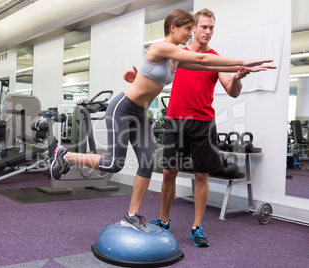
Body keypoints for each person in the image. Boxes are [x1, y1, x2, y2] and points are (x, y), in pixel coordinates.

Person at [51, 9, 275, 233]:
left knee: (147, 163)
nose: (191, 33)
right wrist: (246, 60)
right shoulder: (161, 47)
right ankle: (66, 155)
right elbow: (200, 58)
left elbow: (207, 65)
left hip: (141, 111)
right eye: (188, 29)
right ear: (173, 28)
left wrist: (243, 69)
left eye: (193, 29)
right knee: (114, 164)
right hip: (123, 108)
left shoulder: (173, 60)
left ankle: (131, 216)